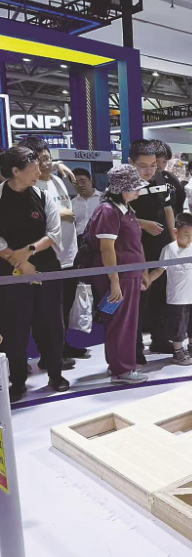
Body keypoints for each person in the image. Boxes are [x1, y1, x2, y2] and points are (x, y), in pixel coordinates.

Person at [0, 146, 71, 402]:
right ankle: (17, 380)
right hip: (9, 271)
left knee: (51, 323)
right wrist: (19, 263)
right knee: (15, 327)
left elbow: (53, 233)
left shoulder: (42, 196)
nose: (39, 173)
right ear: (15, 171)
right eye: (33, 169)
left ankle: (56, 373)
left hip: (45, 267)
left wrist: (28, 252)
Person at [18, 136, 84, 365]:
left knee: (64, 306)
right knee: (46, 311)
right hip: (46, 259)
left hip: (68, 255)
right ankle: (49, 355)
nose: (45, 164)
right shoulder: (28, 186)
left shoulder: (56, 179)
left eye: (48, 158)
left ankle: (61, 345)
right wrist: (58, 212)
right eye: (40, 160)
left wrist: (57, 165)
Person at [88, 164, 150, 385]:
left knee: (123, 321)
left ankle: (119, 364)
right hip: (119, 277)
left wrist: (142, 270)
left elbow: (135, 244)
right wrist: (114, 281)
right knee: (120, 322)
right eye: (134, 187)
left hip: (129, 275)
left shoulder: (126, 210)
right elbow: (107, 248)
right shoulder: (108, 211)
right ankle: (122, 368)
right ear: (121, 188)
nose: (138, 190)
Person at [128, 139, 174, 355]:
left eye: (153, 165)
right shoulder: (124, 184)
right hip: (135, 248)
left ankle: (160, 338)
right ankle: (134, 347)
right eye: (143, 166)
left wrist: (173, 239)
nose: (149, 170)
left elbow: (167, 208)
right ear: (131, 163)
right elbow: (116, 216)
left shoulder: (160, 178)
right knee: (139, 298)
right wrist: (143, 224)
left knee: (161, 293)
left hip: (161, 246)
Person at [148, 213, 192, 366]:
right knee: (178, 325)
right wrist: (147, 280)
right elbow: (159, 270)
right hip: (177, 298)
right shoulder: (169, 249)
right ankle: (178, 350)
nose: (190, 238)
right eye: (186, 235)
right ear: (176, 232)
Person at [149, 139, 185, 218]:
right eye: (157, 161)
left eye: (164, 161)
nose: (160, 165)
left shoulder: (171, 179)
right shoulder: (140, 180)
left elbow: (179, 203)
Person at [72, 168, 102, 237]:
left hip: (100, 239)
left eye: (83, 181)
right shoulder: (71, 204)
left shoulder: (104, 199)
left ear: (91, 180)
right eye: (76, 183)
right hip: (79, 240)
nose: (80, 185)